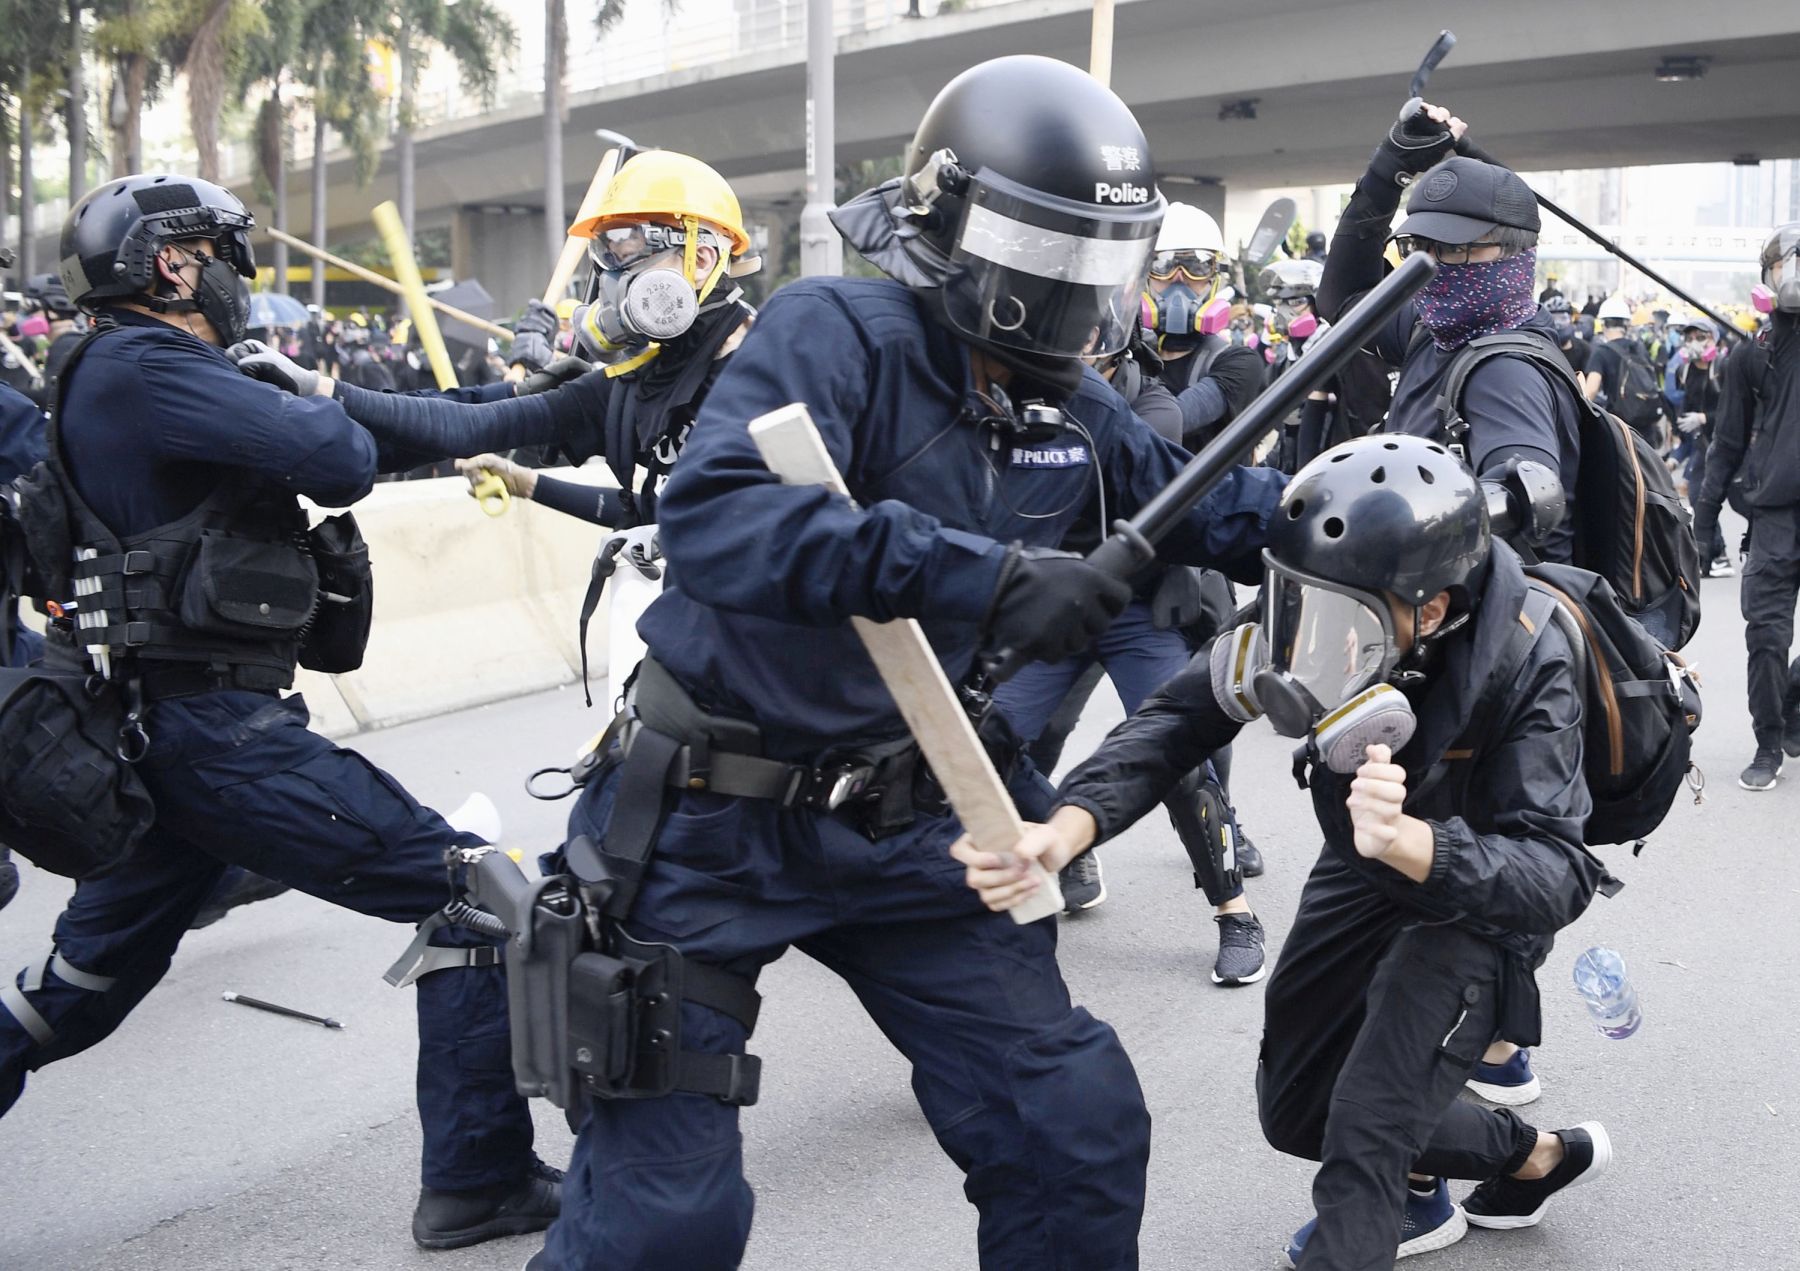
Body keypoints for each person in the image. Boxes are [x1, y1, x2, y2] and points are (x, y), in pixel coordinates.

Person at [520, 55, 1283, 1270]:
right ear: (959, 229)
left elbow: (1220, 506)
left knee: (1069, 1125)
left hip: (910, 821)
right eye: (1048, 253)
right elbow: (721, 517)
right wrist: (987, 576)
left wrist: (1389, 517)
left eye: (1096, 260)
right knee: (665, 1224)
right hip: (708, 819)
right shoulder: (837, 333)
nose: (1070, 291)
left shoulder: (1075, 406)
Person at [0, 173, 599, 1250]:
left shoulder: (121, 368)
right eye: (221, 255)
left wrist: (554, 406)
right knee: (478, 890)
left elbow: (394, 428)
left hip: (159, 737)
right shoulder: (145, 364)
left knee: (71, 995)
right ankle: (478, 1175)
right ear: (171, 264)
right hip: (215, 742)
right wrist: (303, 399)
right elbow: (343, 457)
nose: (237, 277)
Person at [957, 435, 1615, 1271]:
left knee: (1367, 1129)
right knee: (1299, 1109)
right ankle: (1532, 1157)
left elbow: (1555, 874)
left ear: (1435, 609)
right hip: (1367, 861)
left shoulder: (1529, 654)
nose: (1309, 649)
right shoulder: (1325, 591)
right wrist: (1067, 825)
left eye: (1343, 624)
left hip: (1475, 897)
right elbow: (1173, 720)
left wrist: (1419, 842)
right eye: (1292, 605)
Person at [990, 321, 1270, 983]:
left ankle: (1235, 910)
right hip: (1052, 602)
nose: (1078, 348)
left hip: (1136, 606)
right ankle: (1069, 842)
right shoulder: (1012, 395)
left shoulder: (1144, 403)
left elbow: (1162, 444)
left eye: (1091, 338)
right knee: (994, 743)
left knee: (1175, 750)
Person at [1316, 101, 1581, 566]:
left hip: (1475, 614)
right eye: (1421, 247)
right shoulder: (1433, 329)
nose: (1434, 266)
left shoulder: (1505, 372)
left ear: (1514, 255)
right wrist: (1389, 169)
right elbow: (1346, 299)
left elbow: (1531, 500)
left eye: (1456, 249)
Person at [1691, 223, 1800, 790]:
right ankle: (1767, 742)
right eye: (1789, 261)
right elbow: (1726, 445)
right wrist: (1702, 525)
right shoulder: (1750, 357)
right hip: (1774, 519)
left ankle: (1793, 706)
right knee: (1766, 636)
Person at [1145, 202, 1267, 450]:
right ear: (1144, 275)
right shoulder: (1122, 357)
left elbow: (1170, 422)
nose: (1179, 279)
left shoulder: (1240, 363)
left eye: (1197, 267)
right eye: (1163, 265)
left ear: (1214, 279)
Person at [1669, 316, 1733, 576]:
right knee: (1700, 497)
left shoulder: (1724, 367)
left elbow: (1736, 411)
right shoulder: (1685, 372)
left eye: (1700, 337)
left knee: (1742, 501)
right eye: (1690, 337)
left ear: (1713, 340)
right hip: (1702, 446)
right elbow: (1686, 421)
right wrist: (1675, 457)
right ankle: (1714, 556)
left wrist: (1706, 418)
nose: (1694, 342)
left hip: (1730, 444)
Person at [1581, 294, 1663, 442]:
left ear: (1604, 324)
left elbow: (1591, 390)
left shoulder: (1601, 352)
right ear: (1626, 324)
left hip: (1621, 428)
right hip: (1646, 427)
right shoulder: (1639, 347)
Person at [1544, 294, 1587, 375]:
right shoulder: (1541, 350)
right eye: (1553, 319)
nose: (1558, 323)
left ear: (1571, 319)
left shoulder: (1584, 349)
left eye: (1563, 318)